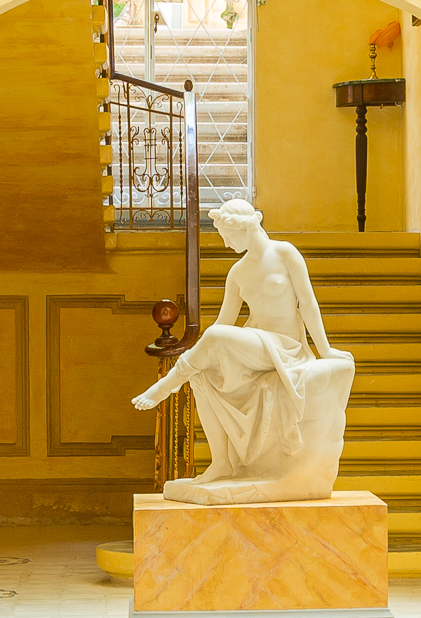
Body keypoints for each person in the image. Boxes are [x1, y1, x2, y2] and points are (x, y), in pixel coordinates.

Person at [130, 200, 352, 499]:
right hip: (254, 344)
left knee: (216, 338)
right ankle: (222, 463)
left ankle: (166, 386)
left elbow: (308, 303)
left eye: (227, 235)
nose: (225, 243)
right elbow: (223, 324)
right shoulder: (237, 272)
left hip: (285, 346)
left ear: (245, 228)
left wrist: (324, 350)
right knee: (203, 374)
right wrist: (206, 357)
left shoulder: (284, 253)